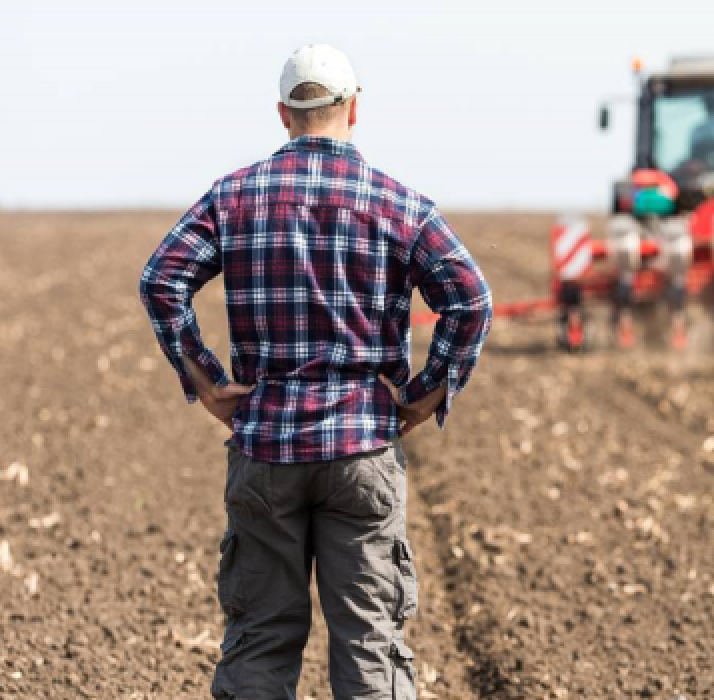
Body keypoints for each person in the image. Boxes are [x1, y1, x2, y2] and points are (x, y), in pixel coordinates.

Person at [139, 44, 492, 699]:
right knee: (370, 649)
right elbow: (471, 299)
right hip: (363, 449)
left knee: (259, 643)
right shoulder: (400, 204)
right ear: (354, 108)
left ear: (283, 113)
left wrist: (206, 382)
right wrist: (424, 396)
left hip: (265, 450)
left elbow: (162, 279)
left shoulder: (232, 197)